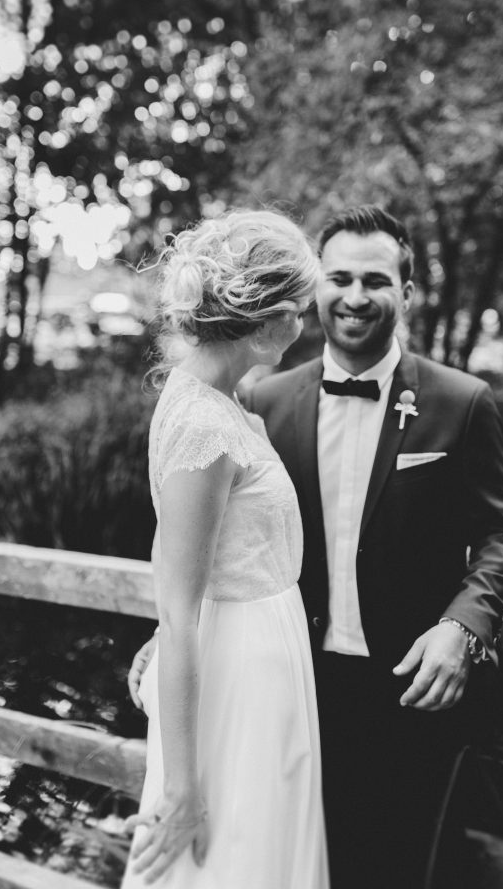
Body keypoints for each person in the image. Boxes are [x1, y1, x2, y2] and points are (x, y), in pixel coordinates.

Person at [129, 205, 503, 889]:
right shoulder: (261, 398)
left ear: (406, 291)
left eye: (374, 279)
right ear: (309, 292)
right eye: (336, 277)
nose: (352, 295)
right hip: (295, 685)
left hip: (405, 693)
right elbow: (212, 545)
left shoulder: (463, 402)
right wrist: (174, 636)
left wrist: (461, 626)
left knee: (396, 870)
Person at [122, 210, 329, 889]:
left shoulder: (224, 402)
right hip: (236, 676)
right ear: (266, 316)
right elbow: (181, 608)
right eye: (299, 309)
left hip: (264, 659)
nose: (305, 324)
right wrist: (181, 789)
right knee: (228, 858)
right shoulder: (201, 424)